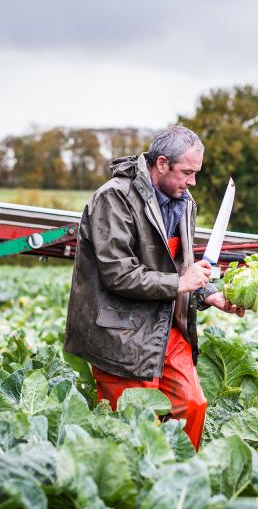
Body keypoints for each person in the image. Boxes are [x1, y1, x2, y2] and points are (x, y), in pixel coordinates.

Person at [64, 125, 244, 450]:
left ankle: (178, 483)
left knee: (192, 405)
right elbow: (118, 274)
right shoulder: (114, 198)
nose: (193, 182)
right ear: (161, 164)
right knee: (134, 432)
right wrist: (180, 282)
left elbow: (178, 266)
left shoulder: (183, 202)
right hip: (119, 331)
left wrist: (208, 294)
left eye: (196, 173)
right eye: (187, 172)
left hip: (164, 326)